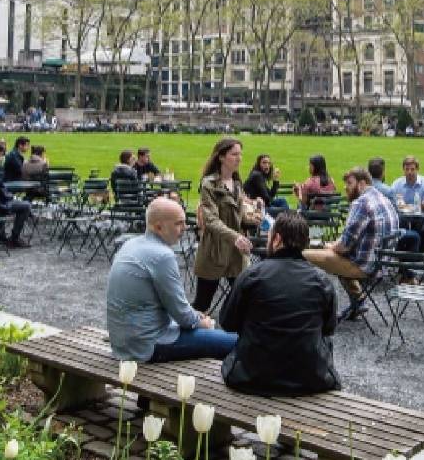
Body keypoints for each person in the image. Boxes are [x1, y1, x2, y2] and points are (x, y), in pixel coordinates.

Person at [219, 212, 341, 394]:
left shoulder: (252, 275)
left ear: (276, 239)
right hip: (311, 379)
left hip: (252, 378)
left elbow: (228, 323)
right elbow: (328, 329)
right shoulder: (322, 281)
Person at [106, 197, 238, 362]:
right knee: (237, 343)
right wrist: (203, 323)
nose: (185, 228)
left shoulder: (131, 244)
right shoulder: (162, 256)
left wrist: (195, 317)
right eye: (179, 223)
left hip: (124, 343)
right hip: (148, 345)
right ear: (158, 227)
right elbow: (183, 316)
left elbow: (174, 308)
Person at [304, 166, 399, 317]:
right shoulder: (384, 200)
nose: (345, 187)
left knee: (303, 254)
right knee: (332, 252)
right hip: (381, 265)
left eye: (349, 183)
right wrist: (332, 245)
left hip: (364, 267)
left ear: (362, 184)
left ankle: (307, 307)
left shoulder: (361, 203)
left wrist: (327, 246)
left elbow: (344, 246)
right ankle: (358, 301)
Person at [193, 137, 260, 312]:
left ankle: (229, 321)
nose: (239, 158)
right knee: (202, 304)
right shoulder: (209, 184)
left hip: (236, 253)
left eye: (240, 154)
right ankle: (191, 328)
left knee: (245, 298)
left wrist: (251, 220)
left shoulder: (237, 184)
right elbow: (211, 220)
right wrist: (235, 236)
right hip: (214, 250)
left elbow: (239, 217)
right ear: (221, 157)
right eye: (234, 154)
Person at [389, 155, 424, 252]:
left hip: (423, 217)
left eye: (412, 169)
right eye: (407, 169)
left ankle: (421, 255)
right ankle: (400, 253)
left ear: (417, 170)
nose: (409, 172)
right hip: (403, 217)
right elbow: (393, 204)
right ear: (403, 170)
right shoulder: (397, 184)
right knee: (395, 228)